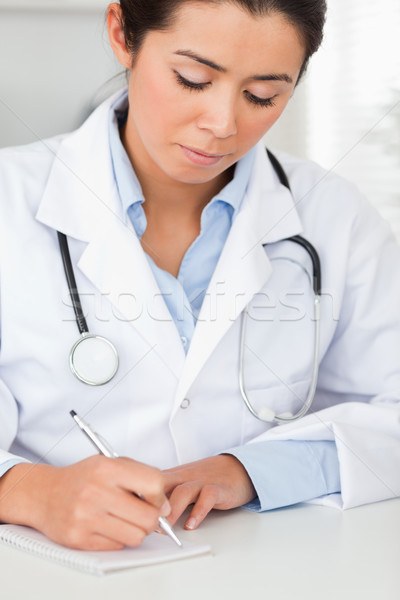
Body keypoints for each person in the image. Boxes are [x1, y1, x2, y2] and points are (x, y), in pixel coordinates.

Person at [0, 0, 399, 551]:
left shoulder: (336, 217)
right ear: (121, 33)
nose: (222, 124)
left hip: (272, 573)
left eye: (263, 95)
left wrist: (252, 469)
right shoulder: (9, 199)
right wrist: (29, 492)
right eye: (192, 80)